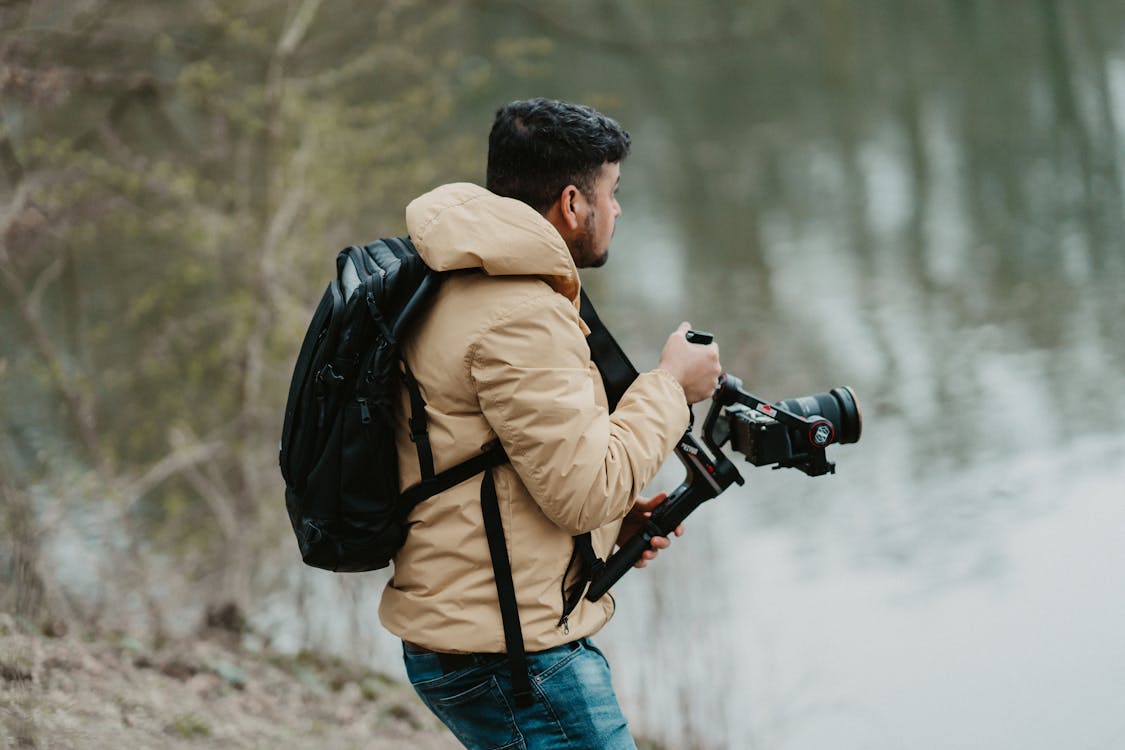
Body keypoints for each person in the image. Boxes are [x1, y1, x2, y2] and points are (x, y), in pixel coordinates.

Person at [378, 98, 722, 749]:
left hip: (474, 630)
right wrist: (672, 386)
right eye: (611, 193)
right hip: (513, 654)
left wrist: (612, 526)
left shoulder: (455, 276)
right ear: (571, 204)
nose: (617, 210)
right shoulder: (518, 313)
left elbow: (483, 457)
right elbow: (581, 489)